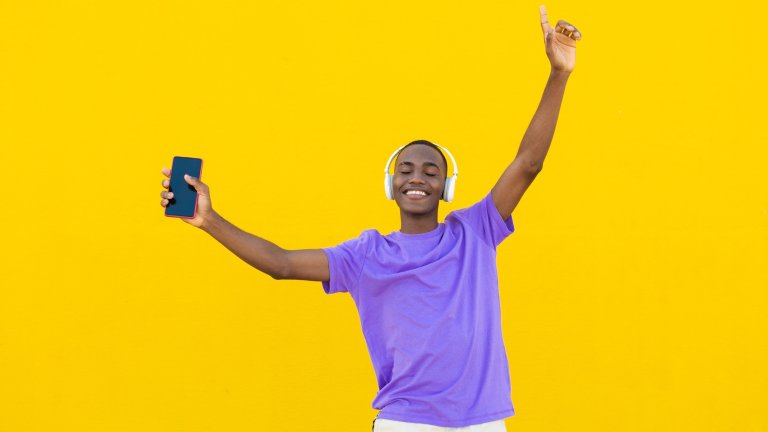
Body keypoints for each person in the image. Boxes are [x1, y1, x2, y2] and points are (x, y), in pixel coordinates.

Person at [159, 6, 580, 431]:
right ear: (391, 183)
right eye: (406, 170)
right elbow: (281, 263)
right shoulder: (366, 255)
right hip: (407, 422)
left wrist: (558, 74)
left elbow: (528, 164)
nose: (417, 178)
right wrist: (210, 220)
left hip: (481, 423)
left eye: (431, 172)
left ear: (446, 187)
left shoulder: (475, 231)